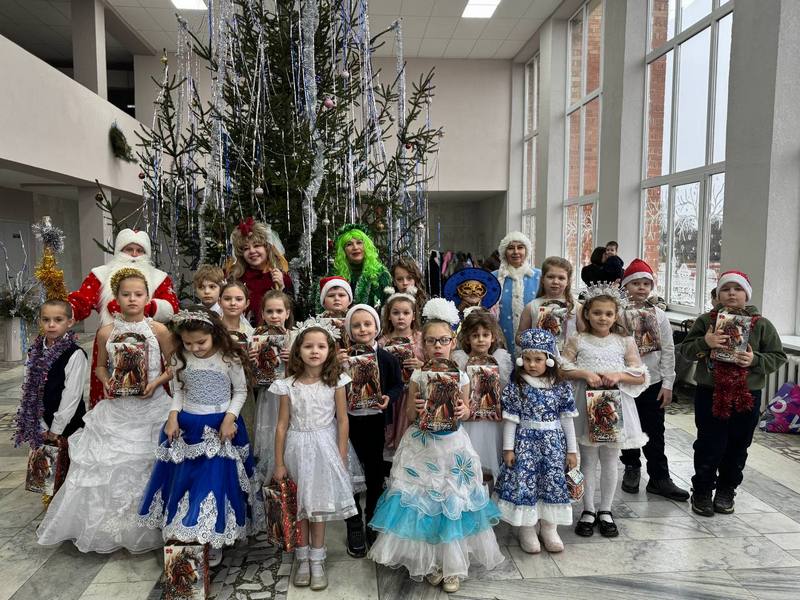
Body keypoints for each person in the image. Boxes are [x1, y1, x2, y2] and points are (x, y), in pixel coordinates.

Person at [368, 298, 504, 593]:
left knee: (451, 499)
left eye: (443, 340)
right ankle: (430, 561)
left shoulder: (462, 375)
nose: (438, 346)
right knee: (424, 501)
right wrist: (416, 407)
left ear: (453, 342)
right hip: (423, 445)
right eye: (431, 341)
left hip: (452, 446)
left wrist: (463, 411)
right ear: (423, 344)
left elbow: (466, 411)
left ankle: (451, 564)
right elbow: (409, 414)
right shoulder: (418, 376)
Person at [37, 268, 173, 553]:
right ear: (116, 298)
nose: (132, 299)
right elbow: (100, 367)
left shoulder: (159, 330)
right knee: (103, 462)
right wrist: (107, 382)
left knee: (151, 460)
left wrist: (156, 382)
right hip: (118, 407)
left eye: (138, 294)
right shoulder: (106, 332)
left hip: (153, 405)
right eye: (126, 294)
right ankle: (104, 528)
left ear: (147, 297)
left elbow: (175, 366)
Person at [137, 306, 264, 567]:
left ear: (215, 334)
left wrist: (229, 418)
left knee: (213, 482)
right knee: (187, 482)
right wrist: (173, 416)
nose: (195, 348)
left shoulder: (229, 358)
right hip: (188, 427)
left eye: (201, 342)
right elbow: (178, 391)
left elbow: (240, 391)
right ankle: (188, 534)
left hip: (219, 428)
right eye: (188, 343)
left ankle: (212, 536)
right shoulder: (179, 358)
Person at [680, 271, 786, 517]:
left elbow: (778, 356)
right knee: (709, 443)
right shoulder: (706, 321)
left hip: (746, 394)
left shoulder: (762, 324)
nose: (731, 293)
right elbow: (685, 351)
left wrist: (754, 360)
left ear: (746, 294)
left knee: (738, 444)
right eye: (726, 289)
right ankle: (702, 490)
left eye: (737, 289)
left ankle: (727, 489)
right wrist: (705, 343)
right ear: (718, 294)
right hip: (711, 392)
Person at [270, 318, 361, 591]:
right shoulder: (288, 385)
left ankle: (318, 560)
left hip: (325, 448)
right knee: (299, 507)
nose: (314, 351)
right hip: (296, 448)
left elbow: (343, 420)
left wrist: (341, 454)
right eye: (308, 346)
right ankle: (302, 558)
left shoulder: (336, 382)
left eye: (321, 346)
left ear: (330, 351)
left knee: (317, 506)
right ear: (298, 350)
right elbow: (282, 425)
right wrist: (279, 462)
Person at [560, 284, 649, 538]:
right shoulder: (577, 339)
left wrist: (618, 375)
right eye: (597, 313)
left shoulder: (624, 341)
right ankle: (588, 510)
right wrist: (584, 373)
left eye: (608, 314)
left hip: (613, 406)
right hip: (584, 403)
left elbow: (640, 375)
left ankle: (605, 510)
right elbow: (561, 368)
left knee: (610, 459)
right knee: (588, 459)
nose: (603, 318)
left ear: (616, 315)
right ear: (587, 313)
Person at [68, 228, 179, 407]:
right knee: (108, 394)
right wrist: (67, 312)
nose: (134, 255)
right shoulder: (100, 274)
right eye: (129, 249)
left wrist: (147, 307)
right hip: (109, 337)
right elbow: (82, 300)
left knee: (149, 383)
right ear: (119, 250)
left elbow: (171, 307)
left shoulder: (159, 277)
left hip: (148, 339)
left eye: (140, 250)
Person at [493, 328, 577, 554]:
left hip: (553, 447)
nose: (532, 364)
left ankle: (549, 528)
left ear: (549, 360)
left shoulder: (561, 387)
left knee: (551, 483)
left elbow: (567, 420)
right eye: (527, 359)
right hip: (525, 446)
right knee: (526, 483)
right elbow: (511, 421)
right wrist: (508, 449)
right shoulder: (516, 387)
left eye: (538, 359)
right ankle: (527, 528)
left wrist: (571, 450)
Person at [618, 259, 688, 501]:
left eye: (646, 284)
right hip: (624, 381)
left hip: (653, 381)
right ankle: (631, 467)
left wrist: (668, 383)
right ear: (625, 286)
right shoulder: (616, 313)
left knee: (655, 431)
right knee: (627, 427)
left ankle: (659, 477)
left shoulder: (658, 315)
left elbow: (668, 350)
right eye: (635, 283)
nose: (641, 288)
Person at [341, 304, 404, 556]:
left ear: (377, 327)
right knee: (349, 471)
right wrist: (339, 366)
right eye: (356, 325)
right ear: (349, 330)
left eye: (367, 324)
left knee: (375, 471)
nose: (362, 329)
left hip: (376, 421)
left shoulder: (386, 358)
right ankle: (353, 521)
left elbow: (397, 385)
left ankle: (372, 519)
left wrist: (389, 397)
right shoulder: (344, 359)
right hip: (349, 422)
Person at [14, 300, 88, 498]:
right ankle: (50, 507)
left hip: (68, 426)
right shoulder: (34, 352)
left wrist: (56, 428)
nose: (51, 324)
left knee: (69, 475)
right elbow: (28, 387)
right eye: (46, 320)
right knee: (46, 477)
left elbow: (72, 395)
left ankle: (66, 511)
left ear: (70, 322)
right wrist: (39, 424)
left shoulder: (75, 354)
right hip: (41, 424)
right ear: (40, 321)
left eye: (58, 320)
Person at [452, 308, 512, 482]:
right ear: (467, 339)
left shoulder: (499, 359)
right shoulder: (460, 360)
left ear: (493, 337)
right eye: (475, 335)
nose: (481, 340)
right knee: (467, 462)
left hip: (491, 420)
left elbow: (503, 388)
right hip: (468, 419)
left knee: (488, 464)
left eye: (485, 335)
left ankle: (488, 495)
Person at [251, 290, 293, 478]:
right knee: (270, 432)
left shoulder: (295, 336)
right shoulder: (257, 337)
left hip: (290, 395)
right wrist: (252, 359)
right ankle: (272, 478)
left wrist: (293, 358)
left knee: (289, 431)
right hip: (268, 394)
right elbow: (253, 377)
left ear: (287, 313)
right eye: (269, 311)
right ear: (263, 314)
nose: (274, 316)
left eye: (279, 311)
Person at [379, 292, 425, 450]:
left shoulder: (421, 339)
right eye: (396, 313)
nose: (401, 317)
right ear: (388, 316)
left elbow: (433, 364)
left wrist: (421, 364)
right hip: (392, 396)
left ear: (413, 316)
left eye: (406, 313)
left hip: (412, 395)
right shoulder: (383, 342)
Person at [230, 218, 293, 326]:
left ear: (267, 248)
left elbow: (290, 312)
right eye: (246, 248)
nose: (252, 251)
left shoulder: (279, 277)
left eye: (257, 246)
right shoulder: (237, 278)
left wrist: (282, 288)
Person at [517, 256, 582, 352]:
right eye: (550, 277)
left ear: (568, 281)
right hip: (539, 358)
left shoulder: (577, 307)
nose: (555, 282)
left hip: (569, 358)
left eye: (561, 278)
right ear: (543, 279)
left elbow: (585, 335)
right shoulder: (531, 306)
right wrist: (532, 341)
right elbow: (519, 336)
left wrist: (574, 345)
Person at [493, 232, 541, 358]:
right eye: (510, 248)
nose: (515, 252)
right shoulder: (494, 277)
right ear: (504, 252)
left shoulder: (539, 276)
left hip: (534, 342)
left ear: (527, 251)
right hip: (500, 339)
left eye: (520, 247)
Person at [331, 224, 392, 308]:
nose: (355, 247)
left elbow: (389, 306)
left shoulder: (381, 274)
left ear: (367, 246)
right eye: (349, 244)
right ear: (343, 251)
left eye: (359, 243)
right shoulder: (335, 275)